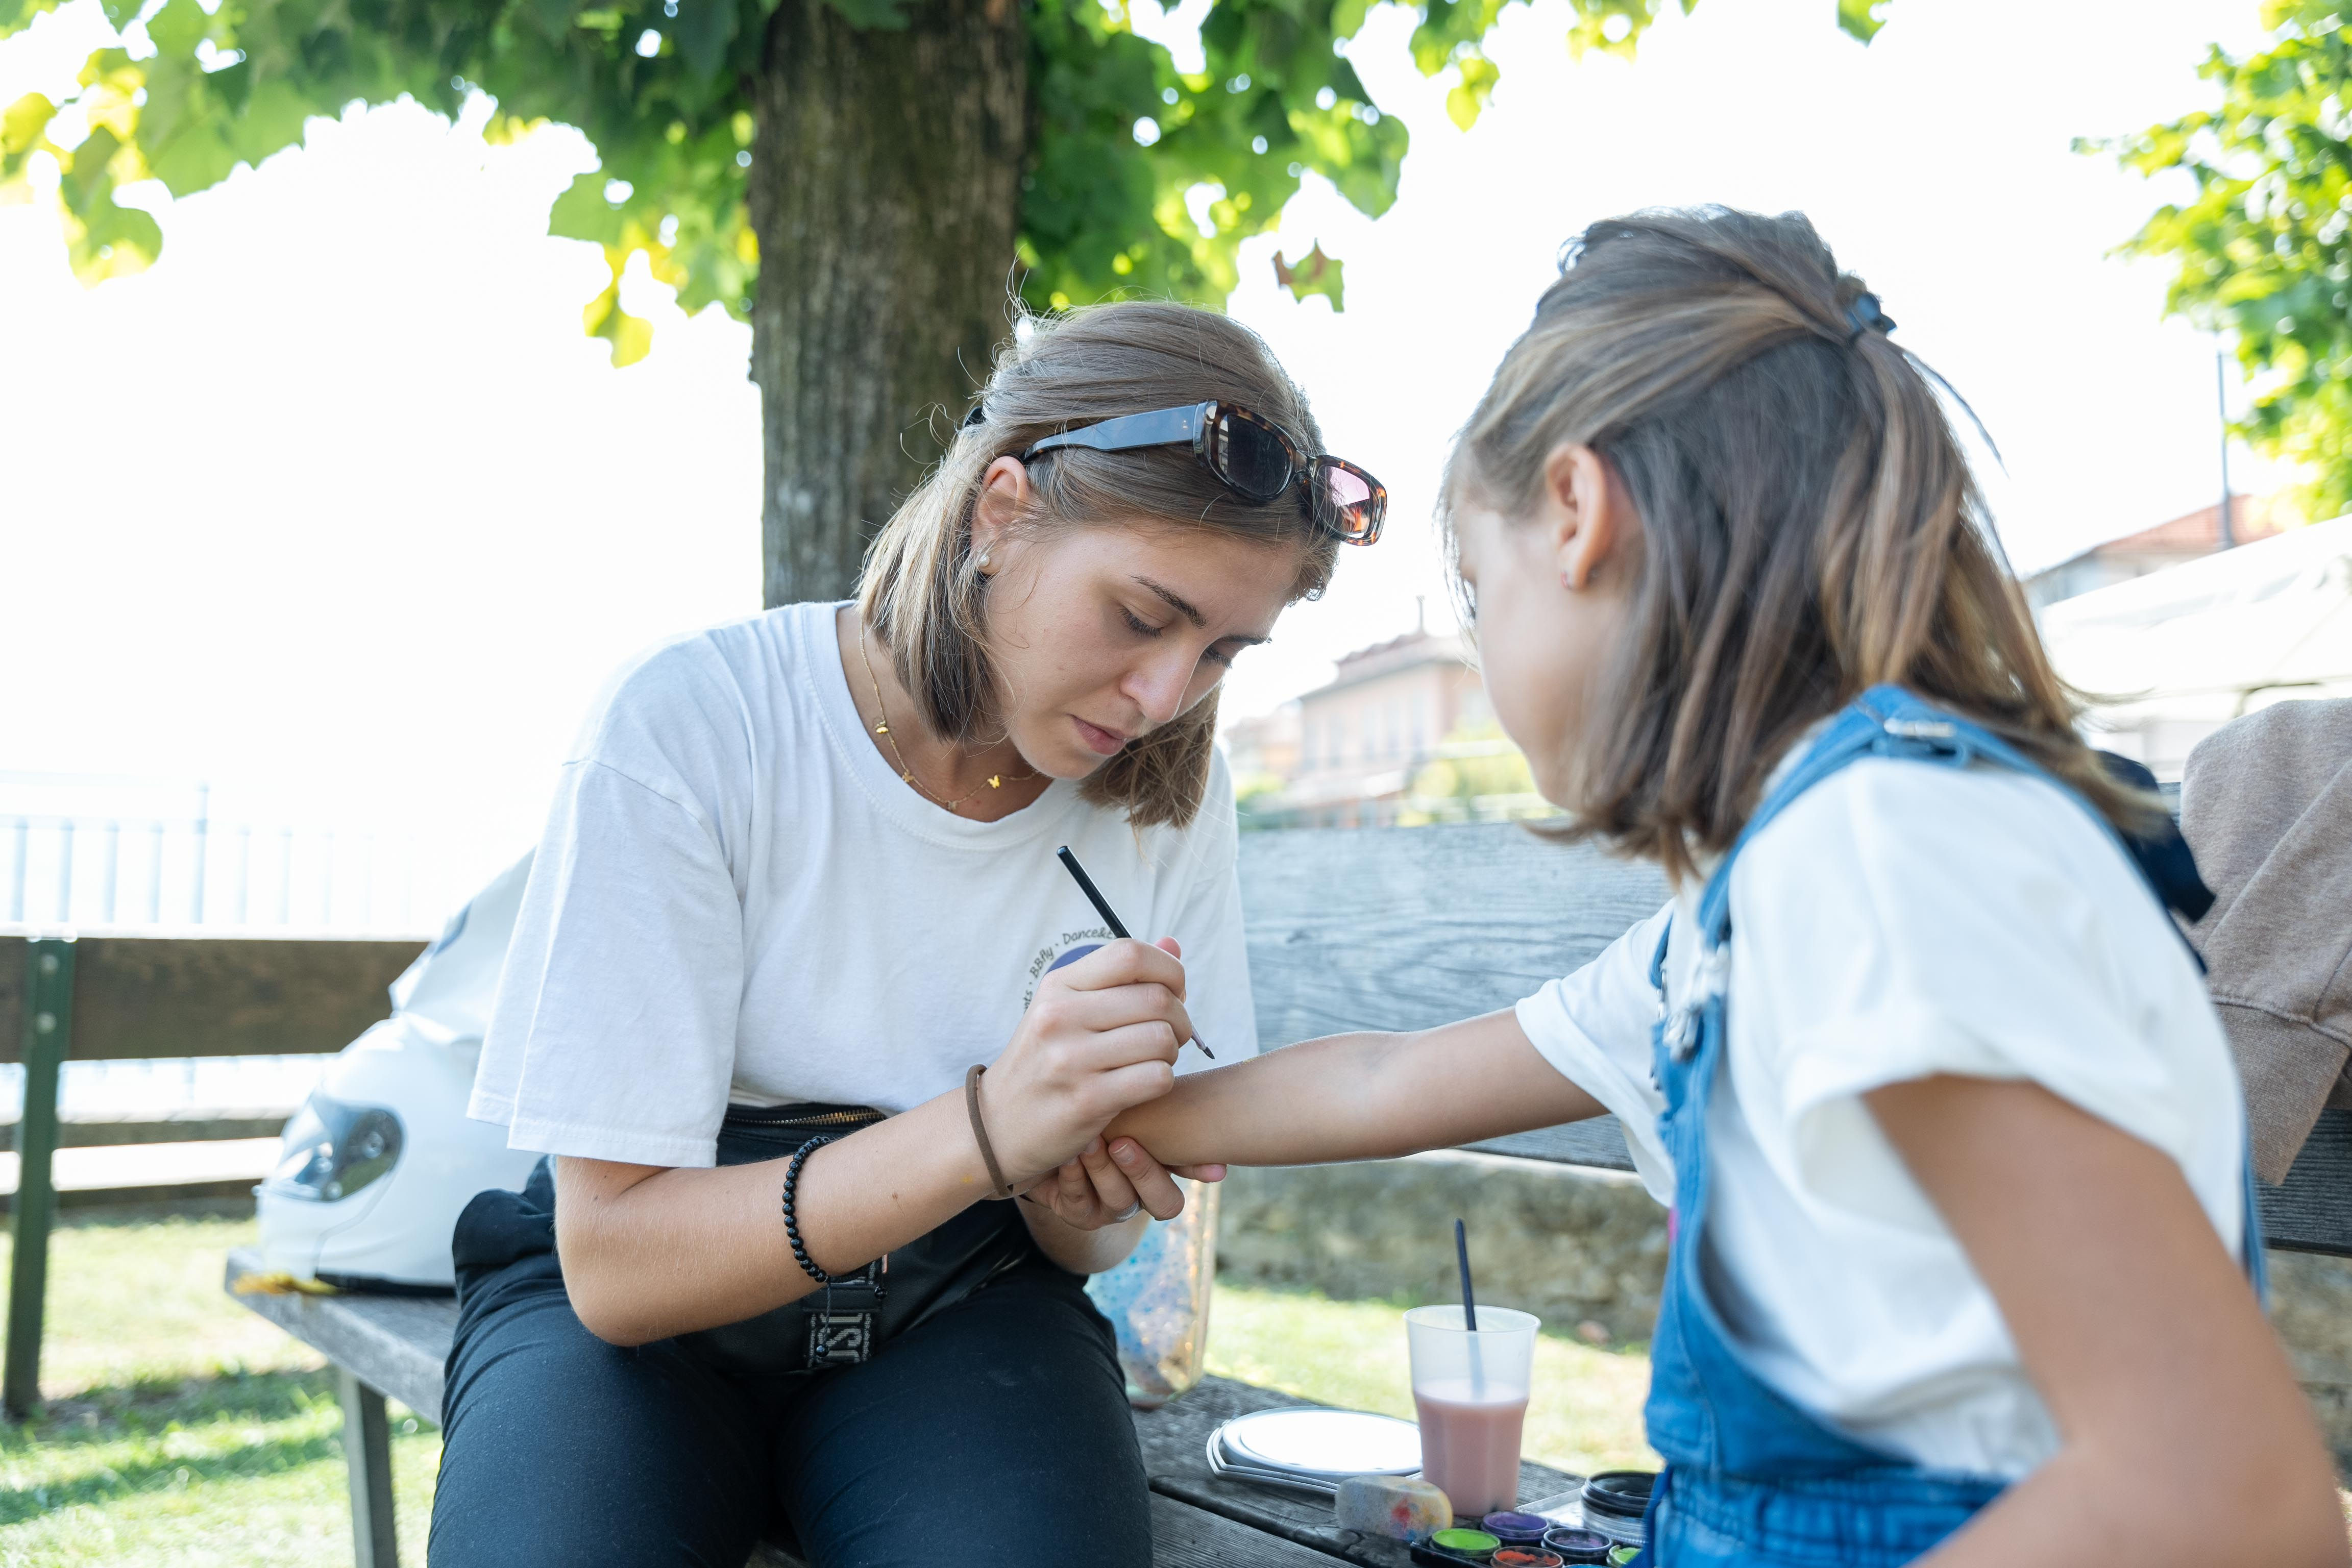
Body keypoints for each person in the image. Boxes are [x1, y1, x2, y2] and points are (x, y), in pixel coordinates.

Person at [1108, 210, 2348, 1567]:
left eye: (1477, 581)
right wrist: (1086, 1126)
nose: (1488, 652)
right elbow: (1385, 1080)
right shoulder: (1754, 907)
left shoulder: (1886, 863)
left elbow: (2219, 1492)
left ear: (1576, 516)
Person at [426, 300, 1384, 1568]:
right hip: (641, 1325)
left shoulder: (1161, 799)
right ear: (1002, 513)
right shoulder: (696, 724)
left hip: (965, 1311)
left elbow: (1099, 1237)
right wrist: (991, 1128)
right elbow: (614, 1268)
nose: (1165, 697)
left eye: (1221, 652)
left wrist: (1075, 1188)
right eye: (1144, 616)